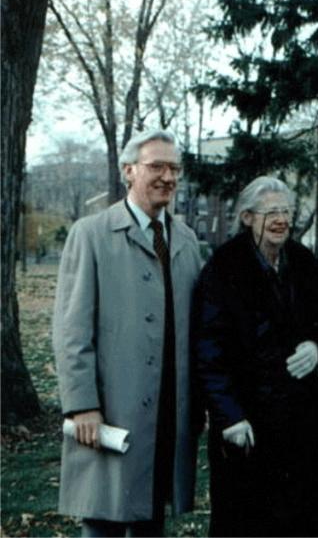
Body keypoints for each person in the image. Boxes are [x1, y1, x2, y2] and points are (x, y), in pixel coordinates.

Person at [52, 129, 203, 537]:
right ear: (128, 171)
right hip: (111, 410)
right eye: (157, 166)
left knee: (151, 518)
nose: (168, 177)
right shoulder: (91, 234)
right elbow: (71, 329)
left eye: (174, 168)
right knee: (103, 519)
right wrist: (82, 404)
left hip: (168, 414)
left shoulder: (187, 240)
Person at [193, 176, 318, 537]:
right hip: (249, 423)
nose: (281, 220)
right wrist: (229, 417)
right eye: (271, 212)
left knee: (304, 522)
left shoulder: (303, 261)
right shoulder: (224, 267)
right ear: (247, 217)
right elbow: (208, 349)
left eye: (286, 211)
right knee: (249, 523)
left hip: (304, 421)